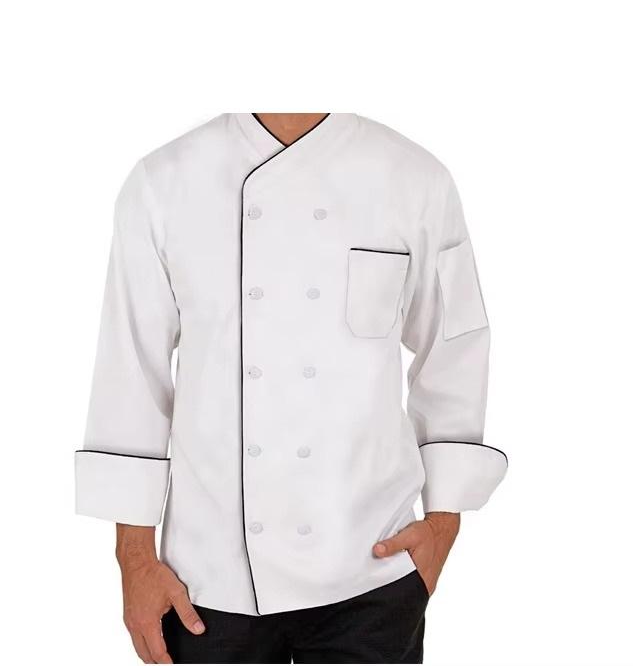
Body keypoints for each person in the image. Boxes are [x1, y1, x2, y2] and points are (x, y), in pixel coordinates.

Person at [75, 113, 507, 664]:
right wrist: (134, 559)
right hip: (207, 581)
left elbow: (454, 348)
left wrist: (444, 521)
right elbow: (132, 372)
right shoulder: (163, 182)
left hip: (372, 571)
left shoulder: (415, 178)